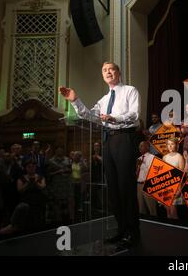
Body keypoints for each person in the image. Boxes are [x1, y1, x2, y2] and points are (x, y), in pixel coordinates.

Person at [59, 61, 140, 250]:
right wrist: (74, 100)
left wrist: (114, 118)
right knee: (113, 189)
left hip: (124, 139)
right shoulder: (104, 100)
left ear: (118, 73)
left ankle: (132, 233)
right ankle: (121, 229)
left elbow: (135, 115)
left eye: (111, 69)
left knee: (125, 187)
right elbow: (89, 116)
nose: (108, 72)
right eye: (104, 70)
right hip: (108, 141)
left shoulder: (130, 90)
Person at [17, 159, 47, 232]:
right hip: (27, 202)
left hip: (38, 201)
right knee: (27, 220)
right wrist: (27, 183)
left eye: (33, 166)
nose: (31, 168)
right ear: (26, 168)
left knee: (39, 219)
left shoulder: (40, 177)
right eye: (29, 167)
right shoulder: (21, 178)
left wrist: (36, 182)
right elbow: (20, 190)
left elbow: (43, 187)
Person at [46, 147, 72, 224]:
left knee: (65, 207)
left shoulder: (67, 159)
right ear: (56, 151)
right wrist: (57, 172)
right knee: (55, 206)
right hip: (55, 186)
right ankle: (55, 224)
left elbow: (70, 170)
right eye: (58, 150)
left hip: (65, 186)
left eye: (61, 150)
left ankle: (65, 222)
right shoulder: (51, 161)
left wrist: (67, 170)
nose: (60, 151)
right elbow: (48, 174)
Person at [162, 138, 185, 220]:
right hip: (166, 186)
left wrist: (179, 189)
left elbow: (182, 175)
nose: (170, 146)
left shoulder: (179, 157)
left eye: (172, 144)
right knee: (168, 211)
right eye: (168, 144)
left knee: (173, 212)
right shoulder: (164, 157)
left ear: (176, 145)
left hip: (175, 186)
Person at [136, 141, 157, 217]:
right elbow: (136, 175)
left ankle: (156, 226)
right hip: (139, 185)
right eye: (139, 146)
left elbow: (153, 172)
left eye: (141, 146)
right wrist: (138, 166)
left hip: (148, 185)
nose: (139, 148)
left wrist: (143, 164)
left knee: (152, 209)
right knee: (141, 209)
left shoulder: (152, 157)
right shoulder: (138, 159)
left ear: (147, 147)